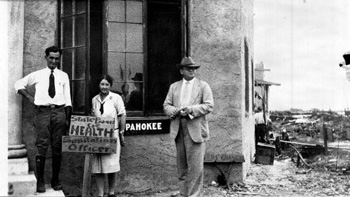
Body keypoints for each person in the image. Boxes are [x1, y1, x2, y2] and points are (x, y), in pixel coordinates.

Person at [14, 46, 72, 193]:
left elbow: (68, 99)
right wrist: (29, 97)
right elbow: (18, 84)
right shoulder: (38, 75)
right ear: (46, 57)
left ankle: (55, 180)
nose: (53, 61)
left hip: (59, 112)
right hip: (42, 113)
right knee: (42, 147)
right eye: (51, 57)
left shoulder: (63, 76)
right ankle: (40, 180)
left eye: (56, 58)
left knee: (57, 148)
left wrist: (68, 119)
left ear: (59, 59)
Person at [163, 57, 214, 197]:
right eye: (188, 68)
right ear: (181, 71)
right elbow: (166, 105)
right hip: (179, 129)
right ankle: (183, 194)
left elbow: (209, 105)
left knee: (196, 169)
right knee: (182, 168)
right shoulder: (174, 87)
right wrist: (173, 111)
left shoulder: (203, 86)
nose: (192, 71)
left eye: (194, 68)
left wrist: (191, 109)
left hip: (196, 131)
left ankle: (194, 195)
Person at [91, 75, 126, 197]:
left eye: (107, 84)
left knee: (112, 165)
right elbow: (93, 118)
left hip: (113, 134)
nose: (104, 87)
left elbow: (122, 115)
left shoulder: (115, 98)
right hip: (98, 136)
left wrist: (121, 132)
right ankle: (101, 194)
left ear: (110, 86)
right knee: (98, 166)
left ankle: (111, 192)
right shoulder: (94, 99)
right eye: (102, 84)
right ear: (99, 85)